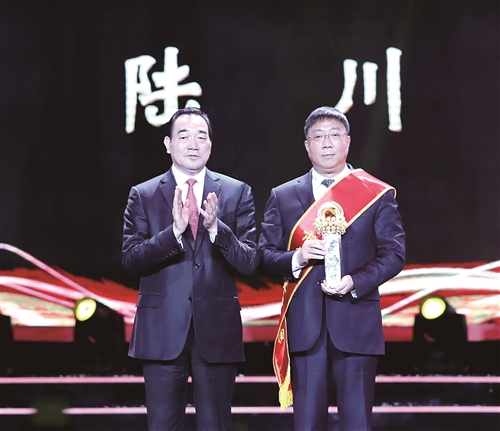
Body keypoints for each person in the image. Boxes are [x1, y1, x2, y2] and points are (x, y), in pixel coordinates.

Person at [258, 106, 406, 431]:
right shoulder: (283, 196)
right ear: (307, 145)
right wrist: (297, 258)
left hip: (357, 325)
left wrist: (355, 281)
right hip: (305, 329)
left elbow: (394, 254)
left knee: (357, 424)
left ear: (347, 141)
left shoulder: (375, 194)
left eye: (334, 135)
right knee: (307, 424)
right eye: (318, 136)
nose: (327, 143)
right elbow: (264, 255)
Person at [122, 107, 258, 431]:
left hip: (217, 330)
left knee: (216, 425)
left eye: (201, 136)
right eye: (183, 136)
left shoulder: (237, 192)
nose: (193, 144)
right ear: (168, 144)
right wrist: (172, 233)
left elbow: (250, 262)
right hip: (162, 331)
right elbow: (130, 259)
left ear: (210, 145)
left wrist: (217, 230)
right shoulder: (144, 194)